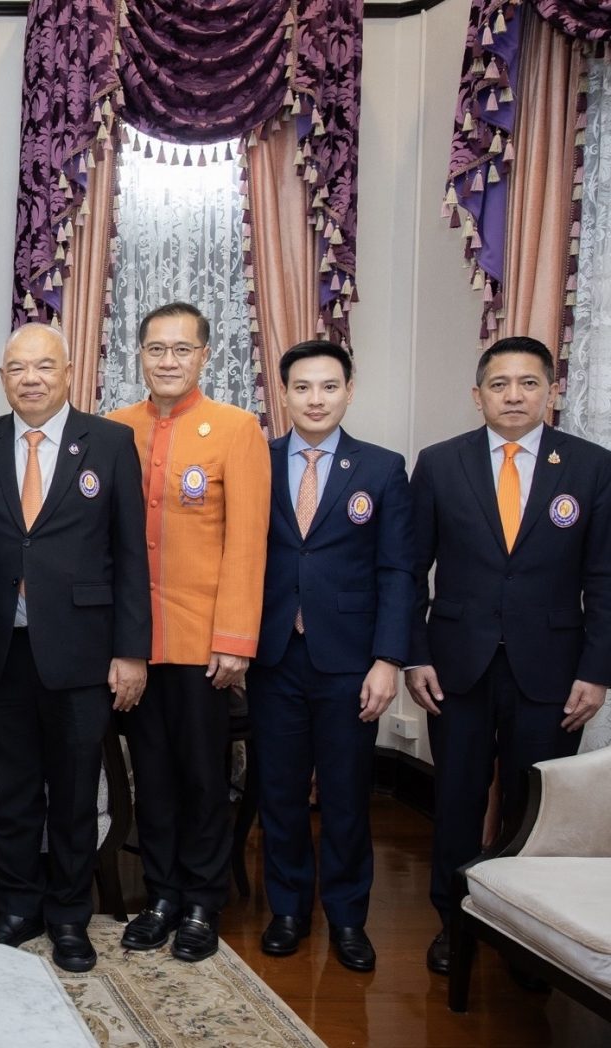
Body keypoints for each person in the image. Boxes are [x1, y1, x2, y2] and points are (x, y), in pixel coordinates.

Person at [0, 324, 149, 972]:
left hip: (83, 653)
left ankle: (68, 918)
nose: (30, 379)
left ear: (68, 372)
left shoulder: (110, 443)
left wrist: (132, 651)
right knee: (14, 792)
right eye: (17, 368)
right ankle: (16, 909)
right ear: (3, 378)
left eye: (43, 366)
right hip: (0, 651)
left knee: (74, 794)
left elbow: (131, 554)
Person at [406, 336, 610, 976]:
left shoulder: (591, 467)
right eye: (499, 384)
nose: (514, 395)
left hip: (553, 670)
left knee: (535, 805)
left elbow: (604, 578)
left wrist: (597, 671)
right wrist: (414, 655)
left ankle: (527, 937)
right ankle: (454, 923)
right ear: (478, 396)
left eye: (528, 383)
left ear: (552, 390)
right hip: (455, 667)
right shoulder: (440, 463)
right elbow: (409, 570)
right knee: (457, 799)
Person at [106, 301, 270, 963]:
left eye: (181, 349)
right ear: (139, 355)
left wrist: (234, 639)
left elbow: (247, 543)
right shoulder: (116, 429)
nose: (168, 361)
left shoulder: (236, 429)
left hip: (204, 645)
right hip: (135, 645)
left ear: (204, 355)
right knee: (152, 777)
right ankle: (162, 895)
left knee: (204, 778)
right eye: (156, 349)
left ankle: (203, 900)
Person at [249, 340, 412, 973]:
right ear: (283, 393)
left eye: (328, 386)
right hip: (273, 655)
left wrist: (388, 659)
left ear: (348, 391)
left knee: (345, 796)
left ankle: (347, 918)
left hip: (350, 661)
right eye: (302, 387)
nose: (315, 399)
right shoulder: (256, 461)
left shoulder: (382, 468)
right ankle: (287, 910)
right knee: (280, 791)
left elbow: (397, 570)